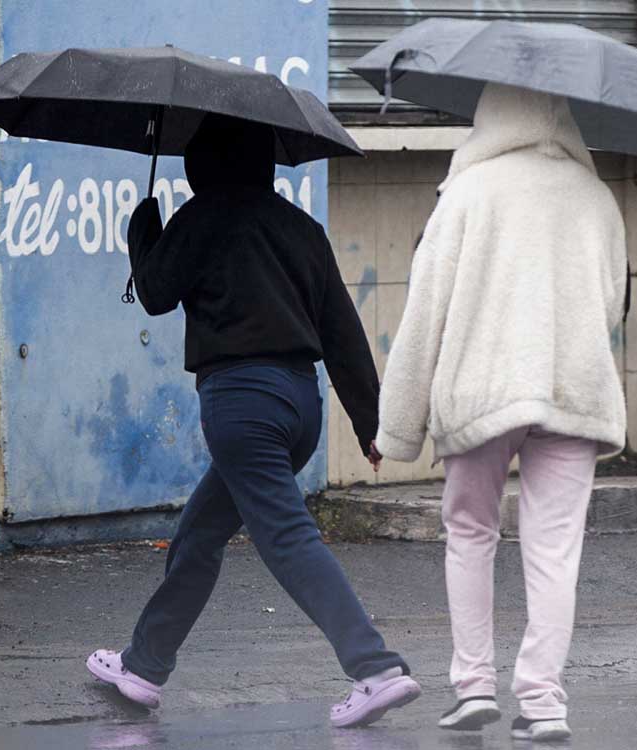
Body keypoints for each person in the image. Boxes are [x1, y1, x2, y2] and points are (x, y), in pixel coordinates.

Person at [87, 113, 420, 728]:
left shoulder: (203, 216)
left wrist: (143, 230)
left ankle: (376, 668)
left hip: (240, 403)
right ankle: (142, 666)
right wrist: (370, 423)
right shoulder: (302, 229)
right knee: (199, 535)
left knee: (287, 538)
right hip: (300, 406)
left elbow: (156, 291)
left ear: (204, 162)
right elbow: (343, 333)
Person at [376, 83, 627, 743]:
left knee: (470, 533)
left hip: (482, 391)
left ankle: (474, 687)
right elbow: (610, 305)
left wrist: (397, 429)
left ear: (488, 115)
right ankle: (545, 703)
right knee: (553, 549)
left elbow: (425, 313)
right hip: (574, 390)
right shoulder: (596, 197)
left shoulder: (466, 193)